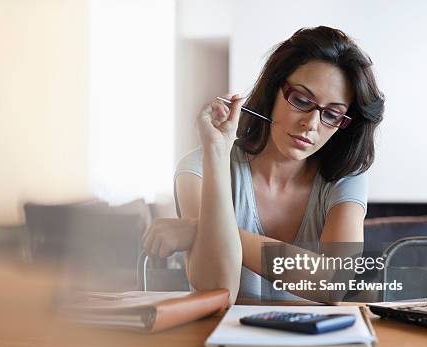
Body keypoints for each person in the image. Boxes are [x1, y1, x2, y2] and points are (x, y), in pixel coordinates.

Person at [142, 26, 385, 304]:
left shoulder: (345, 175)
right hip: (221, 341)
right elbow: (218, 289)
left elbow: (333, 283)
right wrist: (217, 153)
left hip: (313, 343)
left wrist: (202, 230)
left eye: (332, 114)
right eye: (302, 100)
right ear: (272, 91)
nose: (311, 124)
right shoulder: (198, 167)